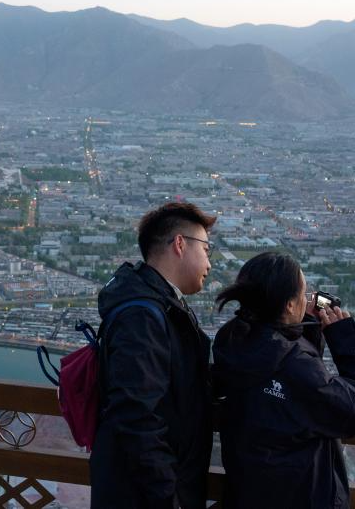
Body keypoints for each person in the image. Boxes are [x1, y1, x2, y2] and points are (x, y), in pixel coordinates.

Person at [211, 251, 355, 509]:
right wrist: (345, 341)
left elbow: (281, 365)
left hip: (248, 494)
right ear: (289, 305)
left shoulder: (231, 341)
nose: (307, 300)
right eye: (303, 294)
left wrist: (302, 326)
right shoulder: (298, 369)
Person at [90, 202, 215, 508]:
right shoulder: (143, 316)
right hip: (145, 494)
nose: (209, 263)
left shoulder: (157, 305)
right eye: (206, 249)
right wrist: (169, 496)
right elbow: (135, 415)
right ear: (180, 244)